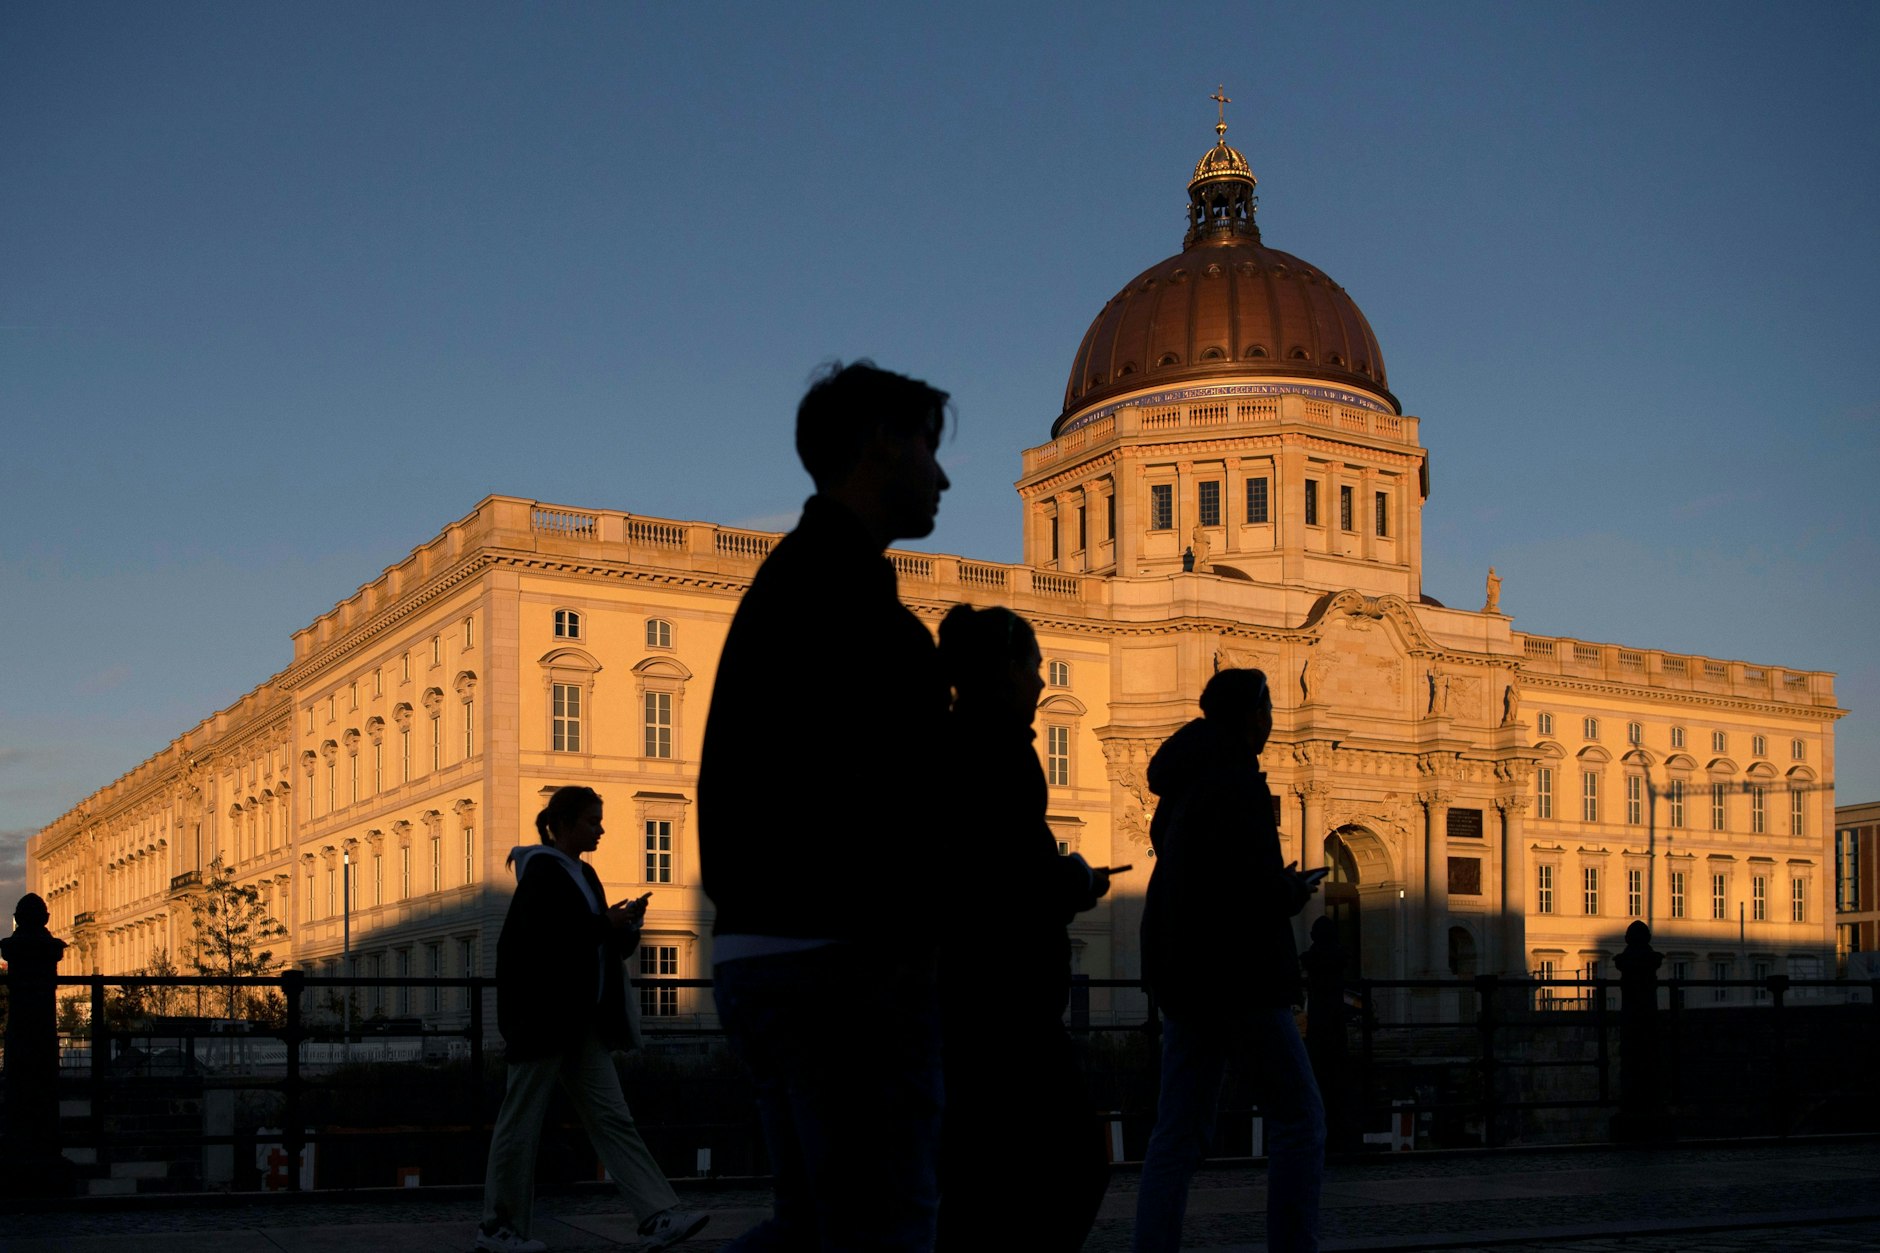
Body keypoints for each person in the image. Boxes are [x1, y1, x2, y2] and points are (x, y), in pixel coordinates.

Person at [699, 361, 952, 1251]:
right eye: (930, 444)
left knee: (815, 1223)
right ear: (881, 443)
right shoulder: (854, 606)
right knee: (883, 1225)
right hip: (843, 958)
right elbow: (900, 797)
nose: (944, 474)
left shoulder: (790, 587)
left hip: (765, 948)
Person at [933, 604, 1111, 1252]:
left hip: (975, 994)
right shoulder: (998, 750)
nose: (1043, 683)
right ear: (1008, 670)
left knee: (979, 1181)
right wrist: (1076, 881)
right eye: (1037, 668)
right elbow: (1008, 874)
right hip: (1003, 997)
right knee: (1073, 1167)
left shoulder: (960, 741)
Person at [1133, 669, 1325, 1253]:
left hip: (1186, 978)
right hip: (1242, 978)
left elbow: (1194, 873)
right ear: (1248, 715)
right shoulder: (1238, 781)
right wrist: (1288, 892)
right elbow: (1247, 892)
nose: (1272, 720)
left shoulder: (1183, 783)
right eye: (1268, 708)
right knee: (1301, 1120)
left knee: (1177, 1134)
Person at [477, 786, 708, 1253]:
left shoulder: (579, 874)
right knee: (527, 1123)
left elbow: (589, 943)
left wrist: (625, 927)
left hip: (575, 1021)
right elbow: (557, 941)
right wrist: (608, 926)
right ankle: (498, 1227)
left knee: (603, 1118)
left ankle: (656, 1215)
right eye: (592, 820)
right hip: (546, 1021)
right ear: (563, 824)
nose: (600, 828)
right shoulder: (544, 874)